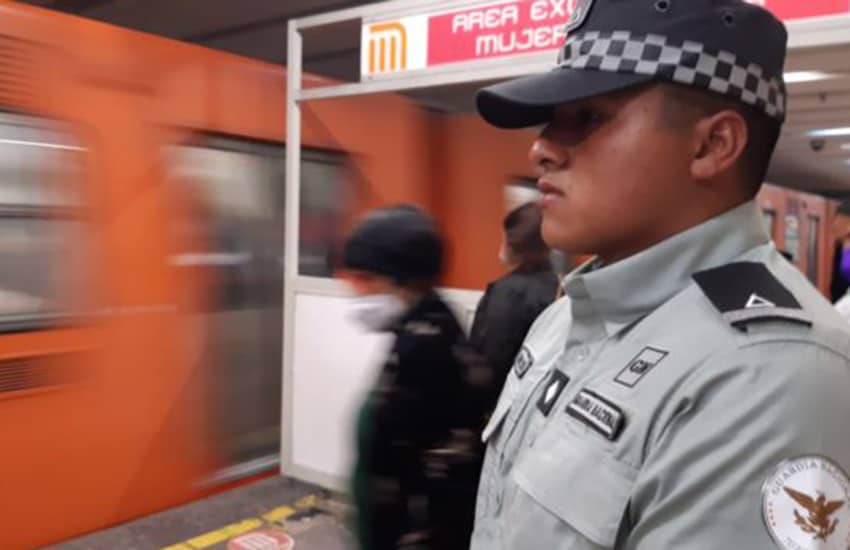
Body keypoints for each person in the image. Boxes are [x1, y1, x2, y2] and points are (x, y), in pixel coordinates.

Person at [470, 1, 850, 549]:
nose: (542, 148)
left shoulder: (771, 376)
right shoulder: (565, 318)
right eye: (552, 121)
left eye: (588, 117)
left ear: (712, 145)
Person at [340, 205, 481, 550]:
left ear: (405, 279)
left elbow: (423, 475)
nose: (357, 294)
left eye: (366, 280)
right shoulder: (424, 326)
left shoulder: (426, 348)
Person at [469, 202, 558, 411]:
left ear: (511, 243)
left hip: (500, 408)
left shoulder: (506, 293)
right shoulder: (559, 288)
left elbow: (490, 363)